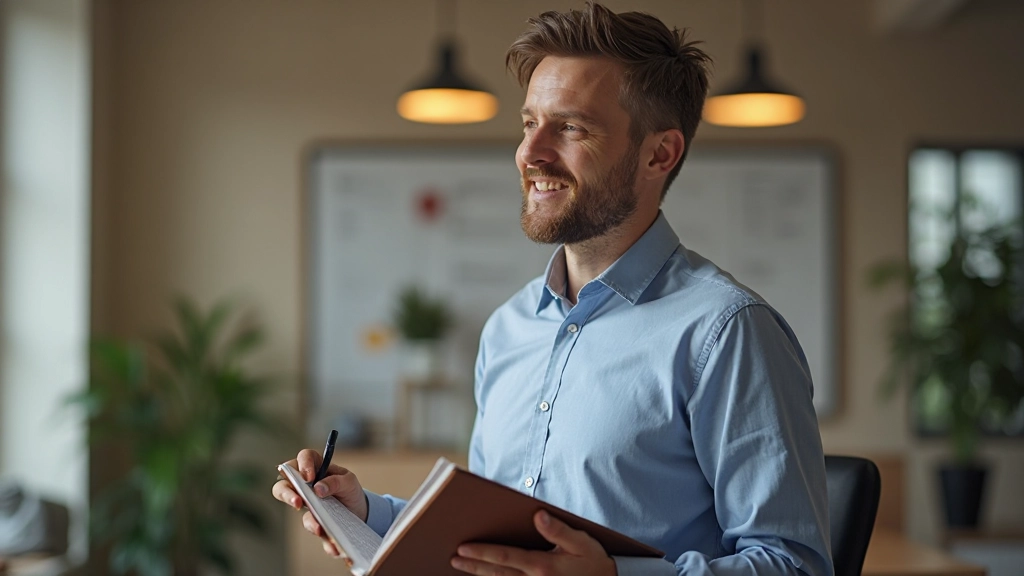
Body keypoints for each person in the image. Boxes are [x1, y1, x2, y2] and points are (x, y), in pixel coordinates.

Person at [274, 3, 834, 575]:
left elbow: (795, 566)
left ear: (659, 153)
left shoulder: (727, 332)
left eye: (569, 127)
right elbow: (487, 539)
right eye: (528, 123)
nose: (529, 153)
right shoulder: (509, 327)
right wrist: (366, 513)